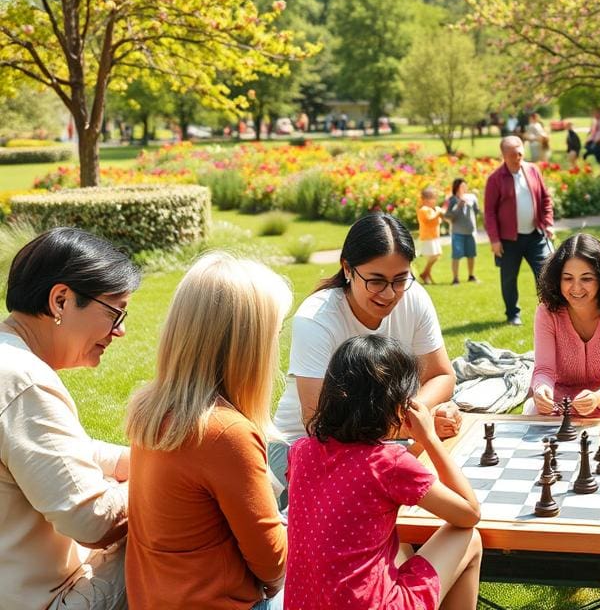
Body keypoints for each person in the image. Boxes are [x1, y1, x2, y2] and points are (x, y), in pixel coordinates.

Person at [124, 254, 290, 610]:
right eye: (273, 335)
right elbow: (272, 565)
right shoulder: (224, 432)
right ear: (249, 346)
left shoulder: (150, 409)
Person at [270, 214, 461, 502]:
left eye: (400, 280)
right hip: (305, 448)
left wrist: (418, 413)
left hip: (377, 442)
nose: (389, 294)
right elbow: (318, 421)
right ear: (347, 268)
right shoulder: (316, 318)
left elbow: (441, 375)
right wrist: (415, 425)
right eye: (376, 281)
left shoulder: (415, 298)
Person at [285, 334, 483, 610]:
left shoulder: (302, 451)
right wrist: (429, 440)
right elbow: (468, 513)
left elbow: (359, 484)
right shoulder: (388, 463)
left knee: (399, 545)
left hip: (305, 603)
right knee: (468, 538)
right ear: (397, 403)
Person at [0, 227, 140, 610]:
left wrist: (136, 460)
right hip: (45, 601)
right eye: (114, 311)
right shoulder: (22, 380)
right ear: (61, 300)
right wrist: (169, 477)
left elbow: (51, 451)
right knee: (189, 518)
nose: (121, 330)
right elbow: (91, 522)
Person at [524, 233, 600, 418]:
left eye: (586, 278)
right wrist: (541, 390)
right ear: (557, 279)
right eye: (568, 278)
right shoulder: (546, 313)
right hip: (559, 398)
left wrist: (597, 398)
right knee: (531, 412)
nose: (576, 288)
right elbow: (544, 370)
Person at [484, 135, 555, 327]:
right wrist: (495, 240)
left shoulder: (533, 170)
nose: (520, 155)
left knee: (546, 273)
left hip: (535, 235)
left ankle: (550, 312)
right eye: (515, 153)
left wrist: (548, 222)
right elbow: (489, 212)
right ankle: (512, 314)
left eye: (521, 150)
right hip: (508, 240)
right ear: (505, 155)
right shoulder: (495, 179)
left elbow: (545, 198)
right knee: (508, 278)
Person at [445, 178, 480, 285]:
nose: (464, 188)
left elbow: (476, 211)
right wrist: (457, 207)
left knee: (471, 255)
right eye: (461, 186)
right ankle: (455, 279)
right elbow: (448, 216)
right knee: (456, 256)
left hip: (470, 232)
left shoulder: (472, 197)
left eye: (465, 186)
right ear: (456, 188)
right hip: (458, 233)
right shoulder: (452, 200)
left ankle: (471, 276)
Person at [416, 186, 444, 285]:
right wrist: (438, 213)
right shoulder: (423, 210)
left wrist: (439, 214)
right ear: (425, 200)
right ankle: (425, 273)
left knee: (436, 255)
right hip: (428, 237)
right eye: (432, 198)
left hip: (434, 237)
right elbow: (429, 220)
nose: (434, 201)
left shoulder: (432, 209)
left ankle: (426, 274)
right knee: (434, 256)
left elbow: (437, 221)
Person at [583, 106, 600, 173]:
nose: (595, 114)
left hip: (599, 142)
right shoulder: (594, 122)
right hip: (592, 142)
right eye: (594, 113)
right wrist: (587, 140)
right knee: (586, 156)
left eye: (597, 113)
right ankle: (589, 171)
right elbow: (591, 132)